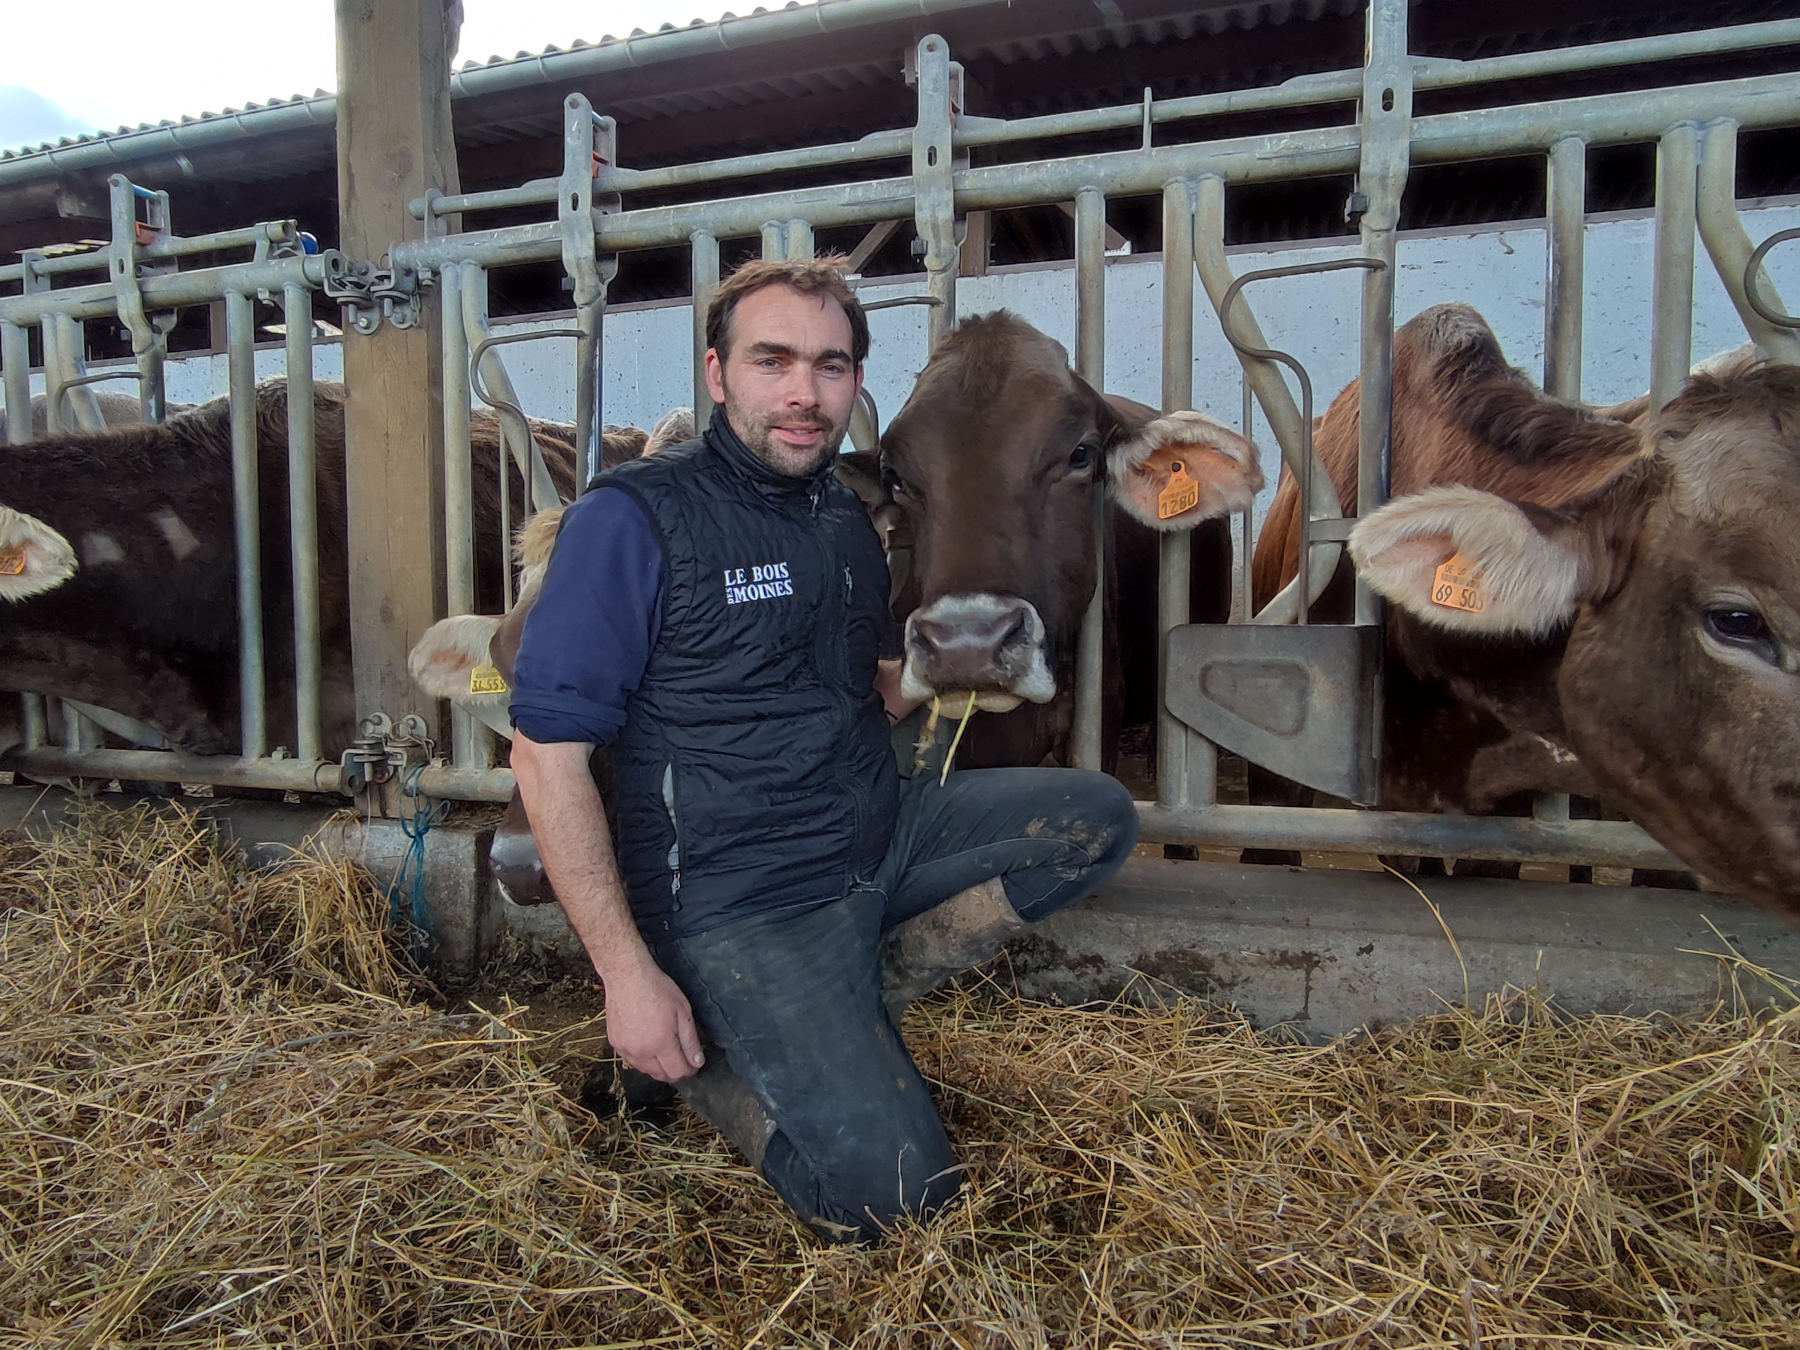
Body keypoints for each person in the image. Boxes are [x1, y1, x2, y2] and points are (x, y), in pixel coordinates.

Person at [507, 256, 1139, 1243]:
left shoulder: (843, 519)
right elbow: (543, 758)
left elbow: (851, 685)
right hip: (739, 898)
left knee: (1095, 818)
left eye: (831, 365)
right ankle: (717, 1058)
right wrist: (628, 976)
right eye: (773, 361)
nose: (804, 394)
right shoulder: (629, 522)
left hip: (873, 828)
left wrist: (937, 668)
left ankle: (848, 1000)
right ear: (718, 375)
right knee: (903, 1205)